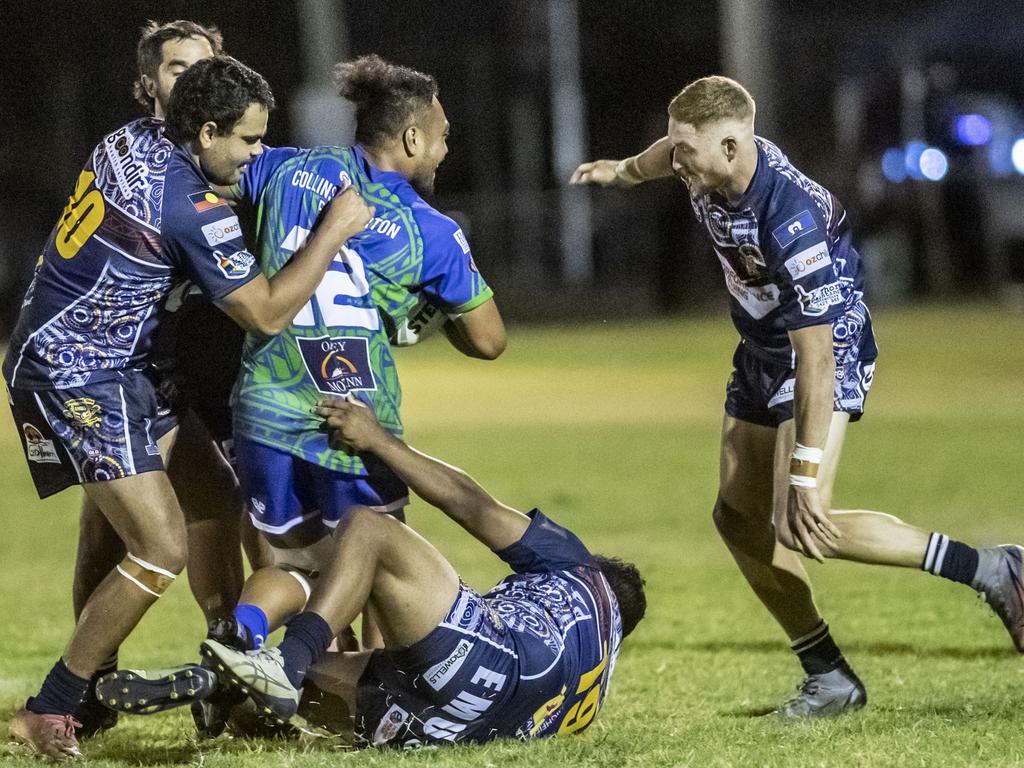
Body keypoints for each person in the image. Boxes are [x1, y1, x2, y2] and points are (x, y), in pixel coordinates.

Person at [570, 75, 1024, 717]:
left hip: (820, 352)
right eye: (674, 148)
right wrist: (621, 171)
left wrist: (805, 473)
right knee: (736, 520)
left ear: (731, 147)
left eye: (685, 151)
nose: (677, 162)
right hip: (762, 349)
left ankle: (993, 570)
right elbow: (658, 158)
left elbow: (815, 357)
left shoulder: (789, 218)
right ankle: (830, 676)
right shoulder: (706, 160)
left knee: (806, 521)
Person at [3, 55, 373, 762]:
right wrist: (334, 228)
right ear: (205, 132)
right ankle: (51, 708)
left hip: (115, 360)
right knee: (159, 547)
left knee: (214, 498)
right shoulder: (191, 208)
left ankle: (223, 672)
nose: (257, 155)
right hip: (77, 372)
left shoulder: (131, 138)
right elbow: (263, 313)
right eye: (249, 141)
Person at [182, 54, 506, 736]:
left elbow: (216, 190)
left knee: (296, 565)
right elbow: (488, 339)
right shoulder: (432, 230)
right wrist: (419, 313)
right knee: (382, 566)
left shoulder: (281, 167)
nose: (446, 147)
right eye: (443, 135)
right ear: (413, 139)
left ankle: (234, 644)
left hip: (265, 407)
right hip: (350, 417)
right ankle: (382, 707)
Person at [98, 395, 646, 747]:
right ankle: (228, 687)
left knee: (368, 531)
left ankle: (277, 658)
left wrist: (379, 440)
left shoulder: (579, 572)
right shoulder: (593, 689)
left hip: (486, 661)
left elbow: (469, 503)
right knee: (266, 703)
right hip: (448, 728)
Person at [68, 20, 258, 741]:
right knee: (109, 529)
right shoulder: (133, 158)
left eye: (207, 66)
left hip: (215, 357)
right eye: (179, 67)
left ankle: (228, 665)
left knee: (236, 506)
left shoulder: (230, 149)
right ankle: (83, 683)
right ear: (150, 84)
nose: (193, 79)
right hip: (132, 365)